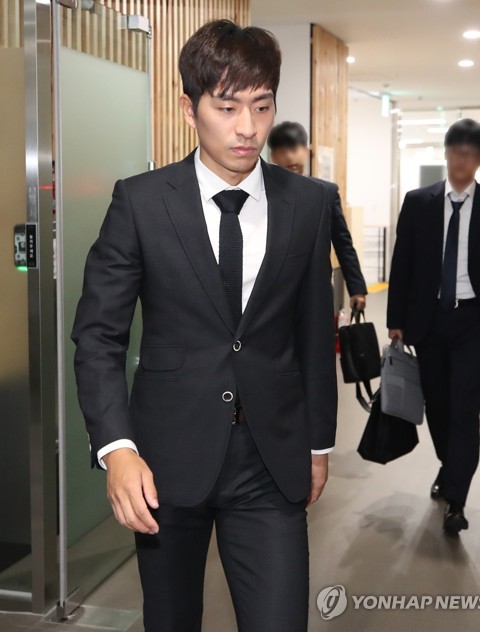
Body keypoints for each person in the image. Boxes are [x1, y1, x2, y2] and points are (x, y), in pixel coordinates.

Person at [71, 20, 337, 632]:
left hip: (271, 458)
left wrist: (318, 444)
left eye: (262, 106)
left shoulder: (308, 203)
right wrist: (117, 449)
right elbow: (99, 335)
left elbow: (311, 333)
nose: (248, 128)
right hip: (164, 460)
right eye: (227, 107)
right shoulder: (140, 201)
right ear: (189, 108)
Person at [387, 118, 480, 534]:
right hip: (428, 320)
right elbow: (402, 262)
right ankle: (449, 466)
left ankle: (457, 499)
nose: (461, 161)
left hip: (475, 321)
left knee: (465, 410)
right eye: (455, 152)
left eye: (470, 154)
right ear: (447, 153)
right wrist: (396, 320)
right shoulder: (419, 202)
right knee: (437, 406)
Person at [268, 121, 368, 311]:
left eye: (294, 149)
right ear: (273, 155)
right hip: (274, 293)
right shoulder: (264, 193)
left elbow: (343, 243)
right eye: (281, 151)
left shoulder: (326, 192)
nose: (289, 156)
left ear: (306, 151)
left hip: (316, 290)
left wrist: (357, 288)